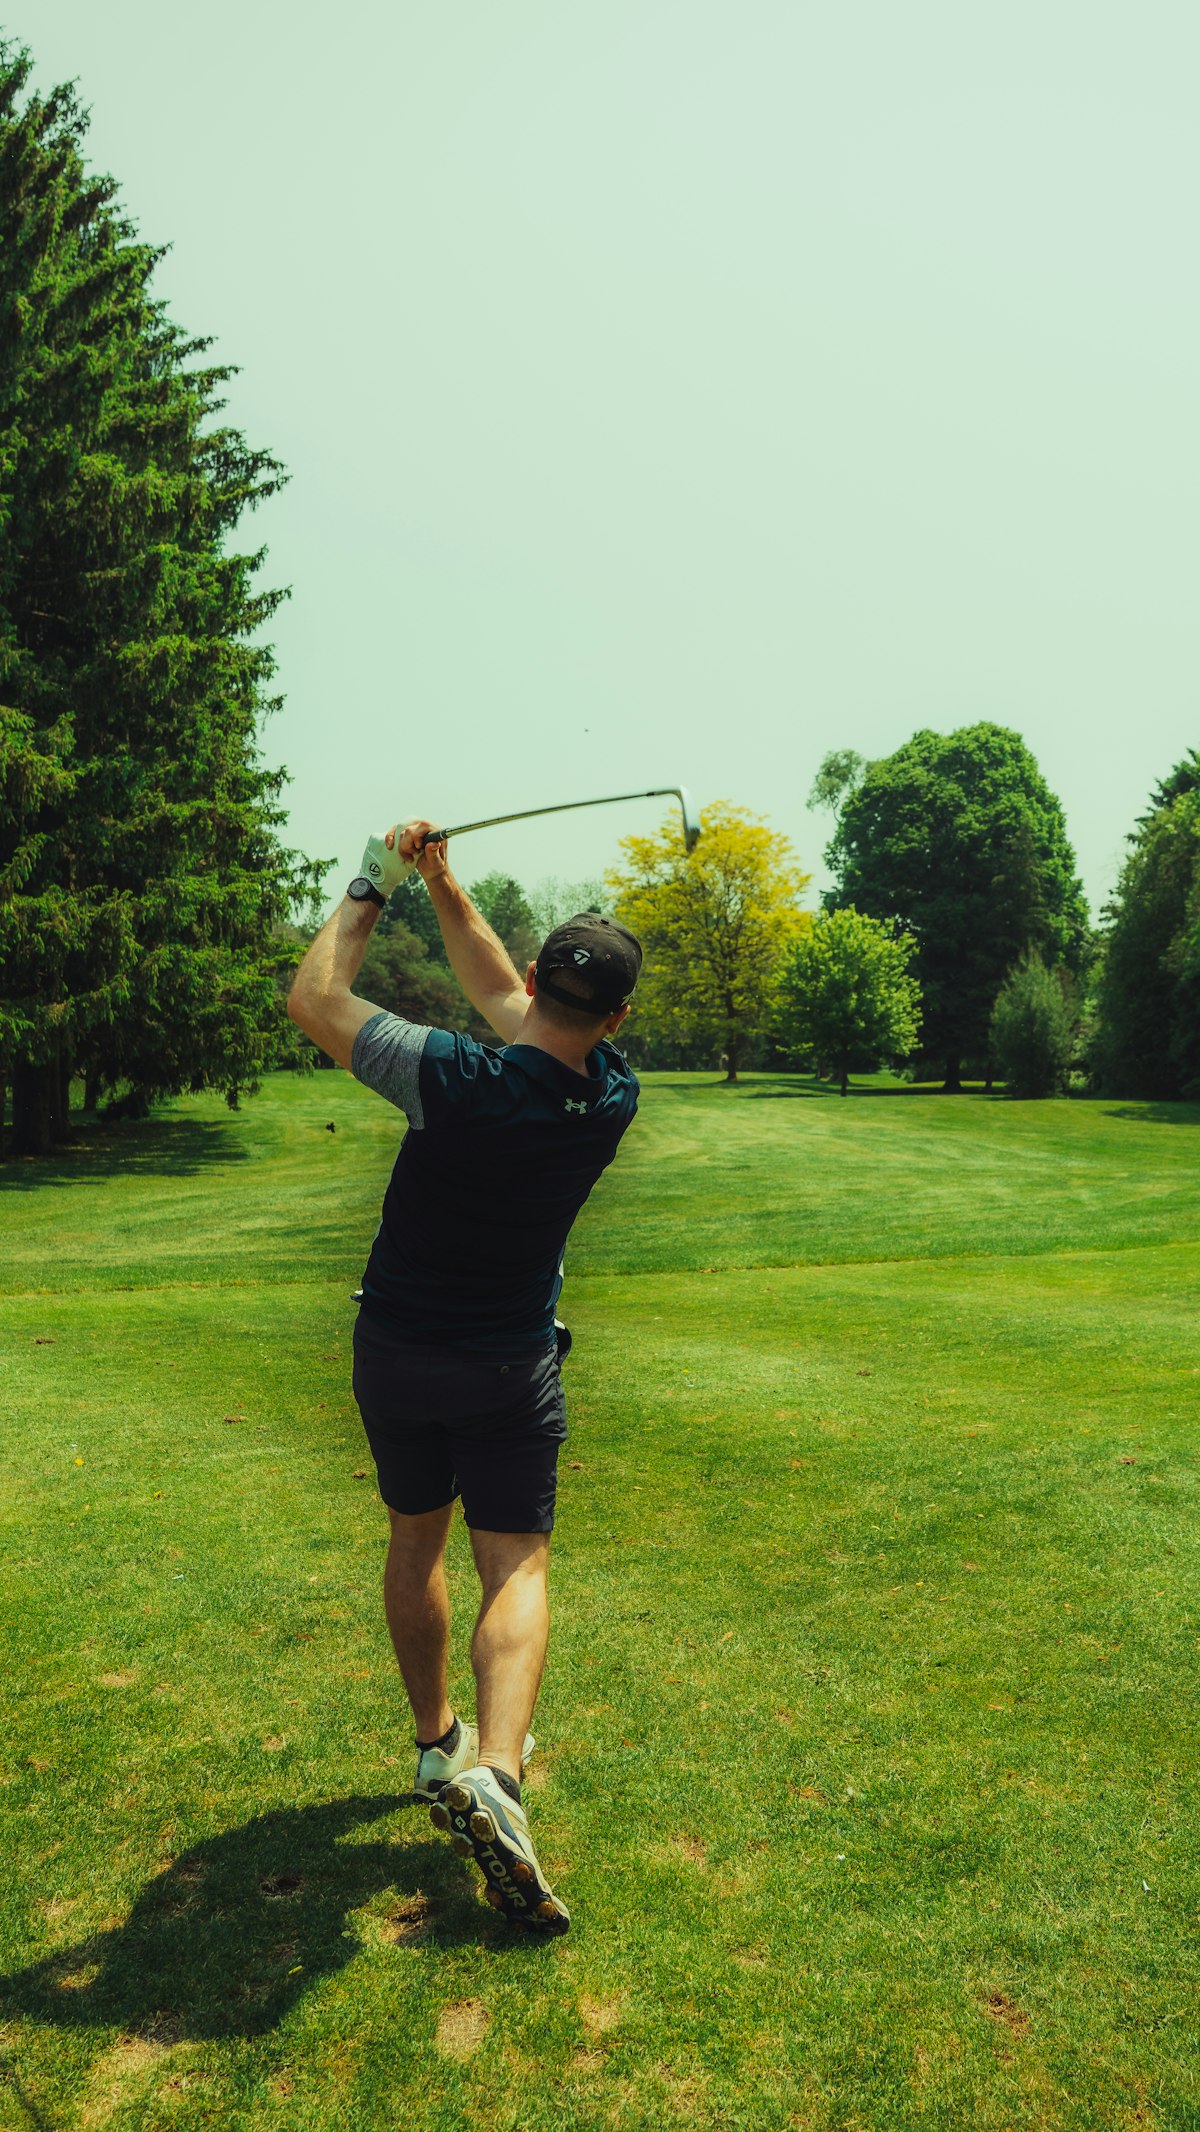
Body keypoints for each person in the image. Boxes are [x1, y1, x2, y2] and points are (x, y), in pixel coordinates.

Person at [286, 818, 642, 1935]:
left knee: (413, 1539)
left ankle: (439, 1742)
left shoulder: (450, 1075)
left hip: (396, 1351)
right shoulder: (609, 1093)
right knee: (517, 1564)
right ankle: (497, 1764)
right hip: (508, 1364)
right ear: (618, 1015)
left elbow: (316, 997)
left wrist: (374, 879)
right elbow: (515, 1000)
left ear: (542, 979)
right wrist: (447, 887)